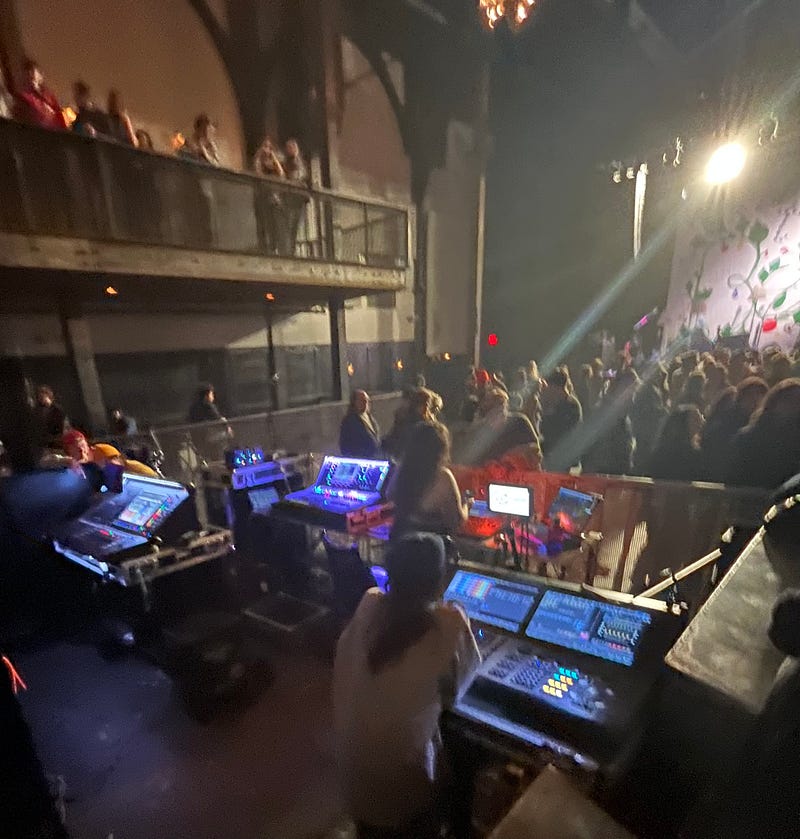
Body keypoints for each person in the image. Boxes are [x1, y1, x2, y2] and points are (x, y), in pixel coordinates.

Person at [334, 532, 480, 839]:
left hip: (351, 783)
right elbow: (458, 691)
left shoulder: (369, 602)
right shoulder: (449, 623)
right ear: (439, 579)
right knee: (466, 751)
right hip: (404, 798)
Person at [389, 422, 468, 538]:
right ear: (441, 449)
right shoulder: (443, 476)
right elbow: (456, 521)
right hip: (429, 543)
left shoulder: (401, 469)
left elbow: (389, 494)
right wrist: (466, 505)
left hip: (399, 538)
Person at [726, 379, 800, 489]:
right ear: (774, 402)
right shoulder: (748, 438)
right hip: (749, 495)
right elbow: (733, 475)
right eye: (788, 399)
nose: (793, 406)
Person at [700, 377, 768, 483]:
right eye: (750, 396)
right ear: (740, 398)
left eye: (759, 396)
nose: (755, 401)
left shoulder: (764, 427)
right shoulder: (724, 424)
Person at [466, 388, 538, 466]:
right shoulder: (478, 432)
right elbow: (473, 460)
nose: (500, 414)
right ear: (486, 414)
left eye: (502, 409)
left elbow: (535, 447)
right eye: (494, 412)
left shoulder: (520, 422)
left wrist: (516, 453)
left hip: (522, 470)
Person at [647, 405, 705, 482]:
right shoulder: (687, 454)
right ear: (683, 423)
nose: (702, 422)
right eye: (696, 420)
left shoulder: (660, 450)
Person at [539, 367, 582, 469]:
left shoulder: (570, 405)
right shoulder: (558, 403)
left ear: (556, 387)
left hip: (562, 455)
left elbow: (557, 430)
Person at [13, 58, 68, 131]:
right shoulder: (23, 98)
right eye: (28, 75)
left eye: (33, 74)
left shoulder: (49, 96)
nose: (31, 77)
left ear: (40, 76)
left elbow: (59, 116)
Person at [340, 390, 381, 459]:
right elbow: (345, 445)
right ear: (354, 402)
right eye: (361, 400)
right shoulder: (349, 421)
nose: (365, 403)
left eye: (366, 400)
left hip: (375, 456)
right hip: (360, 457)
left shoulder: (370, 417)